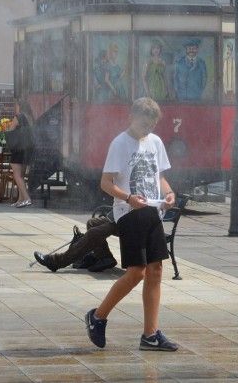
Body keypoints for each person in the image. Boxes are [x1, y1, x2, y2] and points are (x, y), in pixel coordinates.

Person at [84, 97, 178, 352]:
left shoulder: (156, 142)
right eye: (143, 124)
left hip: (152, 212)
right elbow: (105, 183)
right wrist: (127, 197)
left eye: (151, 125)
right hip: (129, 212)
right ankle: (97, 316)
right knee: (137, 272)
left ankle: (150, 335)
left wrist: (169, 194)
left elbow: (159, 177)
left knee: (156, 270)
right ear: (131, 118)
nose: (147, 130)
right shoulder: (119, 143)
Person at [34, 216, 119, 273]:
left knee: (93, 233)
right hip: (120, 219)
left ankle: (57, 261)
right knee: (92, 223)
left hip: (128, 224)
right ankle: (105, 257)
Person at [7, 99, 35, 208]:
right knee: (22, 175)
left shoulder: (18, 117)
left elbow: (10, 130)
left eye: (16, 105)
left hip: (18, 150)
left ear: (19, 107)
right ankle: (20, 199)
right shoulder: (31, 118)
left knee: (17, 175)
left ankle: (27, 198)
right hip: (27, 150)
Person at [173, 37, 206, 101]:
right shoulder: (179, 63)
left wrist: (199, 90)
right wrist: (179, 91)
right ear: (186, 49)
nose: (191, 50)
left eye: (193, 48)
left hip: (196, 96)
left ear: (197, 49)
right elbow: (175, 79)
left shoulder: (201, 63)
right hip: (182, 96)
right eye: (189, 48)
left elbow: (204, 79)